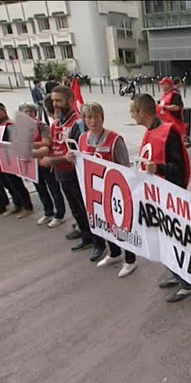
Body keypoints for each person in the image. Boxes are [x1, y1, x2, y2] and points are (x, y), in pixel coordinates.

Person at [130, 94, 191, 302]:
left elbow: (180, 169)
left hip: (169, 199)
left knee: (172, 240)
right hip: (156, 198)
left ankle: (187, 282)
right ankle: (178, 274)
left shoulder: (167, 133)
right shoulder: (152, 131)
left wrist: (159, 168)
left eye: (133, 111)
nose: (131, 116)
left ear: (142, 112)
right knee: (163, 239)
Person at [70, 103, 138, 278]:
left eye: (96, 117)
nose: (93, 121)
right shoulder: (82, 139)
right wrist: (72, 159)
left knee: (122, 227)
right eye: (89, 117)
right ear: (84, 120)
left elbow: (125, 167)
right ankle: (114, 253)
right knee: (103, 224)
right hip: (95, 193)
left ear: (102, 117)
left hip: (115, 192)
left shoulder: (115, 139)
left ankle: (130, 259)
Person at [39, 85, 106, 261]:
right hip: (61, 174)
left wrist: (52, 161)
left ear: (70, 100)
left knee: (86, 211)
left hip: (77, 175)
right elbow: (53, 146)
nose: (55, 104)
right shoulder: (56, 124)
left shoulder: (77, 123)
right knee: (76, 210)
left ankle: (99, 243)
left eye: (59, 100)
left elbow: (80, 153)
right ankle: (86, 236)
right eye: (53, 101)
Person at [18, 102, 65, 228]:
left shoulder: (42, 126)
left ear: (35, 113)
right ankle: (48, 211)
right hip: (32, 164)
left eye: (30, 111)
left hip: (45, 161)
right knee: (40, 188)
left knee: (53, 188)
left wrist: (30, 145)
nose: (28, 114)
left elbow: (47, 143)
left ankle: (59, 214)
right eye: (25, 112)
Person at [0, 103, 34, 219]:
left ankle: (27, 206)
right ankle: (17, 204)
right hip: (1, 162)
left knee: (16, 183)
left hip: (10, 160)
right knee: (7, 184)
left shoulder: (10, 126)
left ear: (3, 111)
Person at [157, 77, 187, 142]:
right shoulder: (164, 94)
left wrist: (165, 107)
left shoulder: (174, 94)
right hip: (165, 122)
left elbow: (177, 107)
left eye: (163, 84)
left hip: (174, 122)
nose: (161, 86)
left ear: (168, 85)